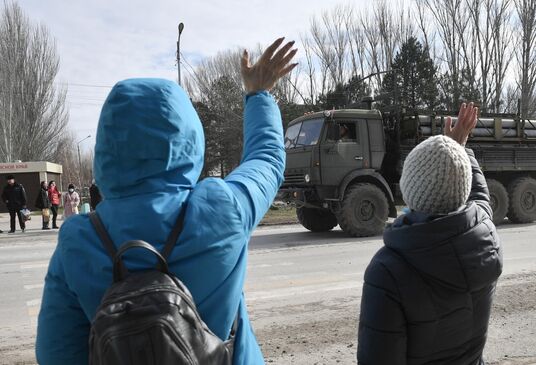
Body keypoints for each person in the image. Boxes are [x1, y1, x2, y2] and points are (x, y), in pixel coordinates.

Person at [36, 37, 297, 365]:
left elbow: (56, 352)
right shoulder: (221, 210)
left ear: (106, 147)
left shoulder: (79, 240)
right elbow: (267, 160)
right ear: (189, 137)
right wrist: (257, 94)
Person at [357, 103, 503, 365]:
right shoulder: (485, 238)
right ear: (463, 186)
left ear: (409, 189)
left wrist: (458, 145)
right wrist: (459, 148)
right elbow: (480, 198)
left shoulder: (388, 270)